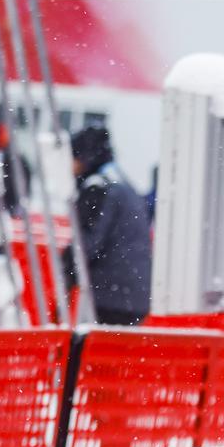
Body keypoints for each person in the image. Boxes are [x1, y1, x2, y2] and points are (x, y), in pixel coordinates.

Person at [67, 125, 152, 325]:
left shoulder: (98, 187)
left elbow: (87, 244)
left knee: (83, 352)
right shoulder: (122, 182)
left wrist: (66, 271)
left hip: (111, 295)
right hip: (135, 295)